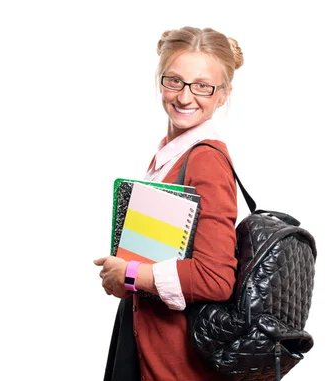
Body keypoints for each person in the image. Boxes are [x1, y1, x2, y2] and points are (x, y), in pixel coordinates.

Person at [94, 26, 244, 381]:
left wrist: (132, 273)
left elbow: (215, 277)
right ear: (160, 81)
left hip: (173, 360)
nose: (185, 96)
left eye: (202, 86)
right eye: (174, 81)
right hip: (145, 337)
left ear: (222, 95)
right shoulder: (170, 152)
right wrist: (126, 278)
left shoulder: (205, 160)